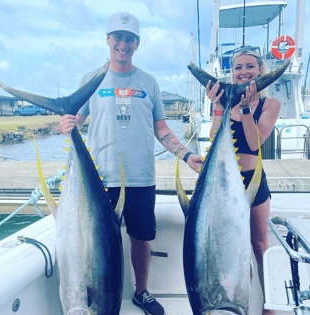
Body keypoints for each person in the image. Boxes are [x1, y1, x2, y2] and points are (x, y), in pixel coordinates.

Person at [59, 12, 203, 315]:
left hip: (141, 177)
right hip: (98, 180)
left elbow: (161, 128)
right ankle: (100, 298)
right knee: (99, 245)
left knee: (141, 238)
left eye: (130, 39)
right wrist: (67, 122)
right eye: (118, 37)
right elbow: (78, 120)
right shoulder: (91, 80)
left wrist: (188, 155)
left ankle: (141, 293)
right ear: (108, 40)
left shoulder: (149, 82)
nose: (123, 44)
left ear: (137, 44)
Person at [206, 47, 280, 315]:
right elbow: (215, 138)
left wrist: (246, 110)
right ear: (231, 73)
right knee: (228, 245)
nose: (243, 72)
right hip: (225, 184)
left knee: (260, 246)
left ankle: (268, 307)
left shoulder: (270, 104)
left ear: (260, 70)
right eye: (238, 67)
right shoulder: (224, 101)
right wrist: (218, 106)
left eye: (250, 66)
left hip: (253, 180)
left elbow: (255, 142)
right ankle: (234, 299)